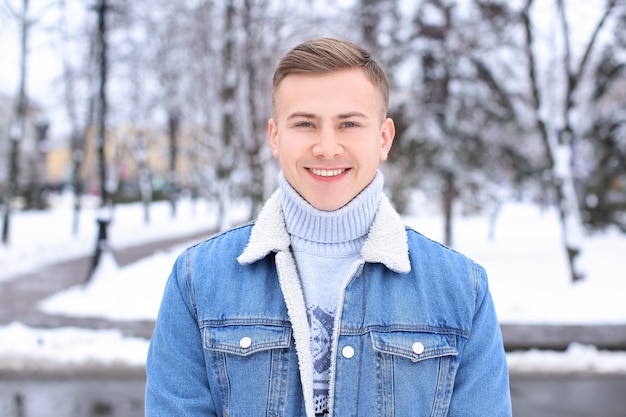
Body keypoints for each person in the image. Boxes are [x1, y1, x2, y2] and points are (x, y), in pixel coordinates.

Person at [145, 37, 512, 417]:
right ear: (275, 136)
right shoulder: (198, 281)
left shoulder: (460, 289)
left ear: (383, 138)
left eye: (349, 123)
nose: (327, 147)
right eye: (305, 124)